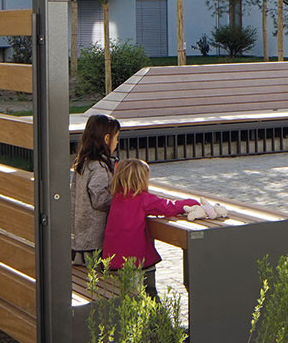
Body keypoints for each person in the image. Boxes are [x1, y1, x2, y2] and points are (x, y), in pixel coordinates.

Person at [101, 158, 196, 293]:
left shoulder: (117, 197)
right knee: (143, 292)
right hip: (135, 259)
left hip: (113, 258)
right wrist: (191, 202)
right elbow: (168, 207)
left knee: (124, 293)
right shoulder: (143, 199)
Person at [71, 113, 121, 263]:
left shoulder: (83, 163)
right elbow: (99, 198)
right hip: (93, 240)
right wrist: (120, 200)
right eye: (116, 138)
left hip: (80, 236)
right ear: (107, 139)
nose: (117, 142)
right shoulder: (99, 167)